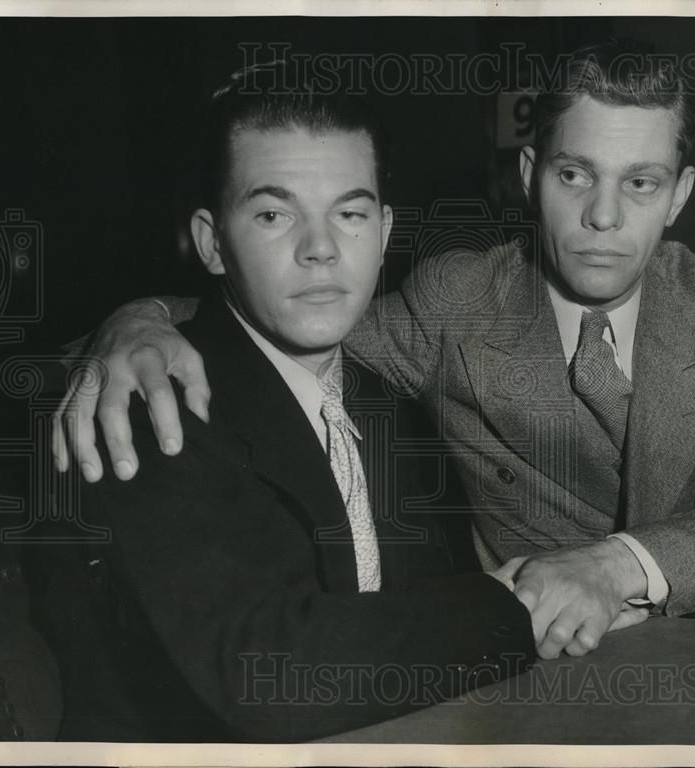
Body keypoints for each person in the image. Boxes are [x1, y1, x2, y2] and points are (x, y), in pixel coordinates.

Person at [53, 40, 695, 662]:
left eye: (641, 183)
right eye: (576, 174)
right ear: (532, 176)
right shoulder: (458, 303)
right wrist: (141, 317)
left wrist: (615, 566)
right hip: (505, 659)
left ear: (680, 194)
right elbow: (288, 311)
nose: (604, 216)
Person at [50, 65, 537, 742]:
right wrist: (514, 609)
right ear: (212, 242)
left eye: (351, 212)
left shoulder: (386, 404)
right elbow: (270, 676)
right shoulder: (151, 398)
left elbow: (414, 621)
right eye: (275, 215)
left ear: (386, 229)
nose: (321, 250)